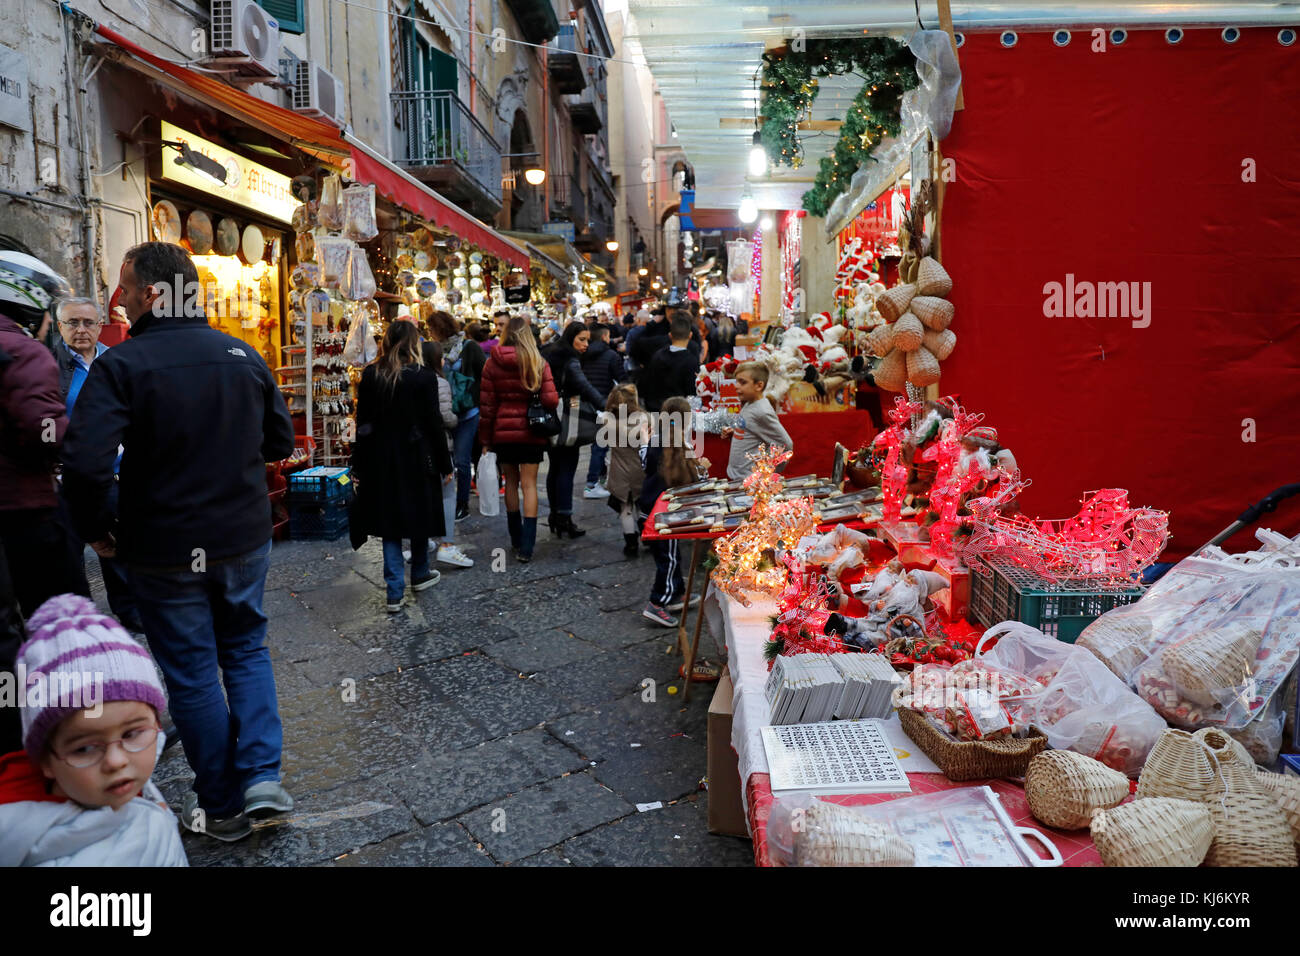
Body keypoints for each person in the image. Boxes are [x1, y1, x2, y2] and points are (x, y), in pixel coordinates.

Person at [61, 241, 296, 842]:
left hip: (163, 545)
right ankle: (262, 777)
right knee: (245, 649)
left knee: (191, 671)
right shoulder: (241, 355)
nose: (119, 296)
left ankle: (221, 805)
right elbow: (279, 444)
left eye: (125, 285)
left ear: (154, 293)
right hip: (242, 536)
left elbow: (85, 464)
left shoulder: (123, 364)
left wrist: (97, 532)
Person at [0, 594, 187, 866]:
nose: (116, 761)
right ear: (45, 760)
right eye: (84, 748)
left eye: (132, 733)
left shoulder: (132, 789)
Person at [0, 252, 87, 756]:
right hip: (26, 511)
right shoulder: (22, 351)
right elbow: (43, 430)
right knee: (62, 619)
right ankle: (78, 724)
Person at [52, 297, 143, 634]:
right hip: (70, 473)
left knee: (116, 542)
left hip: (116, 468)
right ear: (60, 326)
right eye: (72, 323)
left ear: (99, 325)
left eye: (88, 323)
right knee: (70, 547)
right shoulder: (51, 364)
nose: (81, 330)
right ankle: (76, 618)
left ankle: (129, 609)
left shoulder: (116, 359)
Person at [354, 321, 454, 611]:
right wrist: (445, 463)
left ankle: (394, 590)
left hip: (381, 458)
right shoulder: (423, 377)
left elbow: (364, 425)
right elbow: (434, 425)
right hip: (417, 455)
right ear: (414, 343)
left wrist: (359, 464)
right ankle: (420, 572)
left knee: (390, 524)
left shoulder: (372, 374)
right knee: (420, 512)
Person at [479, 316, 558, 562]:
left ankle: (515, 537)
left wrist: (485, 439)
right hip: (532, 431)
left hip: (503, 431)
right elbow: (551, 400)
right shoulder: (537, 361)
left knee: (510, 483)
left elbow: (487, 406)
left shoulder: (492, 364)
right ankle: (527, 546)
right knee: (530, 485)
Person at [636, 396, 707, 627]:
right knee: (668, 559)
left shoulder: (657, 442)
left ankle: (675, 593)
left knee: (670, 556)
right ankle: (657, 603)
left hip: (649, 510)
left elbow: (645, 462)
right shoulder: (683, 447)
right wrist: (703, 467)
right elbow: (694, 480)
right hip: (666, 515)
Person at [543, 322, 606, 539]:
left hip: (551, 418)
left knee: (555, 467)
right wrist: (606, 406)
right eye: (582, 339)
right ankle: (565, 517)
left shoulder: (550, 353)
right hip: (567, 419)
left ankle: (554, 516)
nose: (586, 344)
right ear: (571, 338)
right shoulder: (570, 360)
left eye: (588, 340)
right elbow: (584, 387)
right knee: (567, 469)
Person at [427, 310, 485, 522]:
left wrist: (475, 396)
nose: (430, 333)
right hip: (443, 412)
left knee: (461, 460)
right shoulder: (432, 350)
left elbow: (484, 375)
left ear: (440, 328)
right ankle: (446, 501)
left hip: (468, 412)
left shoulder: (469, 347)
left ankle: (462, 505)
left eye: (432, 329)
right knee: (445, 461)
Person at [422, 341, 473, 569]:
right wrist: (455, 419)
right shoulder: (439, 382)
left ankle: (421, 543)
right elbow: (445, 416)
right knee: (446, 495)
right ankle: (447, 545)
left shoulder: (409, 379)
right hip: (439, 446)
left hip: (418, 447)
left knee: (424, 495)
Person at [603, 383, 651, 558]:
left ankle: (631, 545)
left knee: (626, 509)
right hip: (640, 469)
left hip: (619, 470)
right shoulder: (643, 419)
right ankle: (647, 536)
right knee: (642, 506)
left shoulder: (608, 421)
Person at [725, 361, 794, 481]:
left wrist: (767, 472)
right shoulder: (749, 402)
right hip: (740, 477)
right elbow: (753, 431)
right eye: (736, 381)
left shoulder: (761, 412)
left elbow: (786, 445)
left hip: (750, 481)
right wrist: (737, 432)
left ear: (759, 386)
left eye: (743, 382)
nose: (736, 386)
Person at [580, 321, 624, 499]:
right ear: (605, 336)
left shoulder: (582, 355)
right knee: (601, 446)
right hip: (605, 404)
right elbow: (623, 380)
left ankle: (600, 478)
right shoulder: (611, 356)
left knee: (597, 445)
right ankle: (591, 484)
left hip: (586, 405)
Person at [641, 312, 701, 413]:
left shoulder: (657, 356)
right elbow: (692, 392)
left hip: (657, 410)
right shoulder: (691, 361)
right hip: (680, 412)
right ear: (690, 335)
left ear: (670, 335)